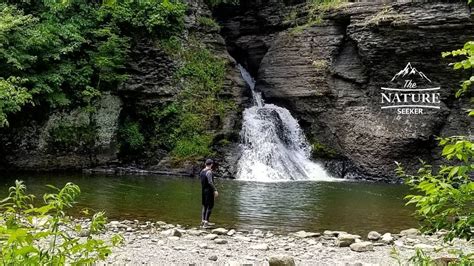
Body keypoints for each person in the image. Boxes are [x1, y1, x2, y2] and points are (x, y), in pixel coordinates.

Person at [200, 159, 218, 228]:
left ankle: (203, 221)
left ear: (205, 164)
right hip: (209, 191)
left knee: (204, 206)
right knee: (210, 206)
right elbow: (210, 182)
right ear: (211, 164)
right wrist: (215, 190)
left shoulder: (202, 171)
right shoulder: (209, 172)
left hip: (203, 191)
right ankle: (206, 223)